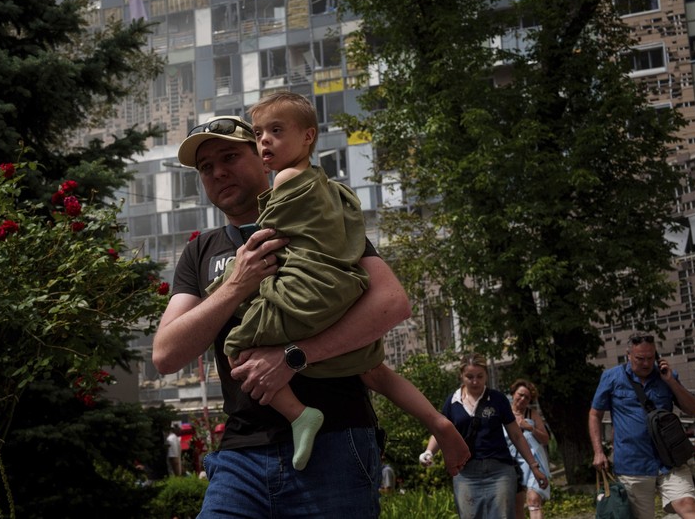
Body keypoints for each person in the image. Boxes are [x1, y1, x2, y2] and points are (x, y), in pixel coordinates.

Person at [153, 112, 411, 518]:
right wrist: (236, 285)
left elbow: (392, 303)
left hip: (335, 441)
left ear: (262, 155)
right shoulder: (199, 251)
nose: (218, 172)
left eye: (229, 157)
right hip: (240, 455)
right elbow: (166, 354)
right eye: (206, 168)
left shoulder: (316, 219)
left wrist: (295, 356)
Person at [208, 91, 470, 472]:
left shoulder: (284, 180)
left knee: (236, 344)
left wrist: (228, 283)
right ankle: (439, 420)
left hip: (306, 292)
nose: (265, 140)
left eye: (276, 131)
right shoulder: (327, 188)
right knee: (372, 365)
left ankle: (300, 415)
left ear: (308, 136)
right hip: (343, 288)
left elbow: (270, 243)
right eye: (260, 133)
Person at [589, 331, 695, 519]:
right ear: (628, 355)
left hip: (671, 461)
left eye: (650, 358)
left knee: (689, 507)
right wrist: (598, 451)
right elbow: (595, 414)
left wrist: (671, 382)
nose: (646, 363)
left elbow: (693, 410)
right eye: (640, 358)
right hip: (633, 465)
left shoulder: (666, 376)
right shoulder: (611, 378)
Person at [420, 353, 549, 519]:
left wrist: (534, 467)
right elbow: (441, 432)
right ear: (461, 376)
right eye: (470, 377)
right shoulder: (452, 402)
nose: (475, 381)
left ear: (486, 375)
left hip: (499, 471)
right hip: (466, 473)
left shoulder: (497, 399)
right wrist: (429, 452)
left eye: (480, 376)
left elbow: (516, 435)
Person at [504, 379, 551, 519]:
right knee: (517, 506)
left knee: (533, 499)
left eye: (527, 397)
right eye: (520, 394)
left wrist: (531, 428)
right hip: (512, 462)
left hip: (534, 461)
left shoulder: (532, 414)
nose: (523, 399)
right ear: (513, 393)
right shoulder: (503, 413)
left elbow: (545, 439)